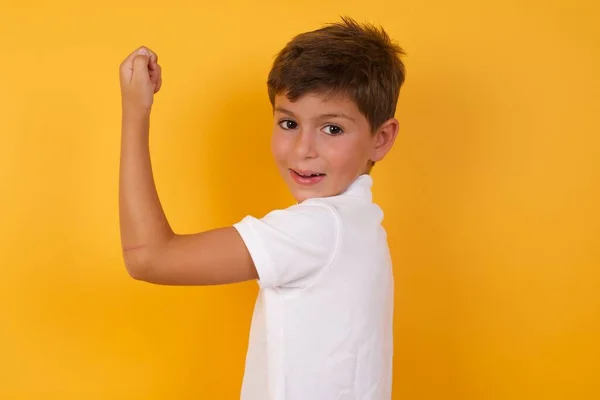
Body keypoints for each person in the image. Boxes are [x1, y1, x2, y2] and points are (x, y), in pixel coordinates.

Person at [119, 16, 406, 400]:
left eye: (332, 128)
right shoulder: (361, 223)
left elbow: (148, 257)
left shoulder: (322, 229)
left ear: (381, 138)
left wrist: (135, 112)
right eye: (289, 123)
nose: (303, 149)